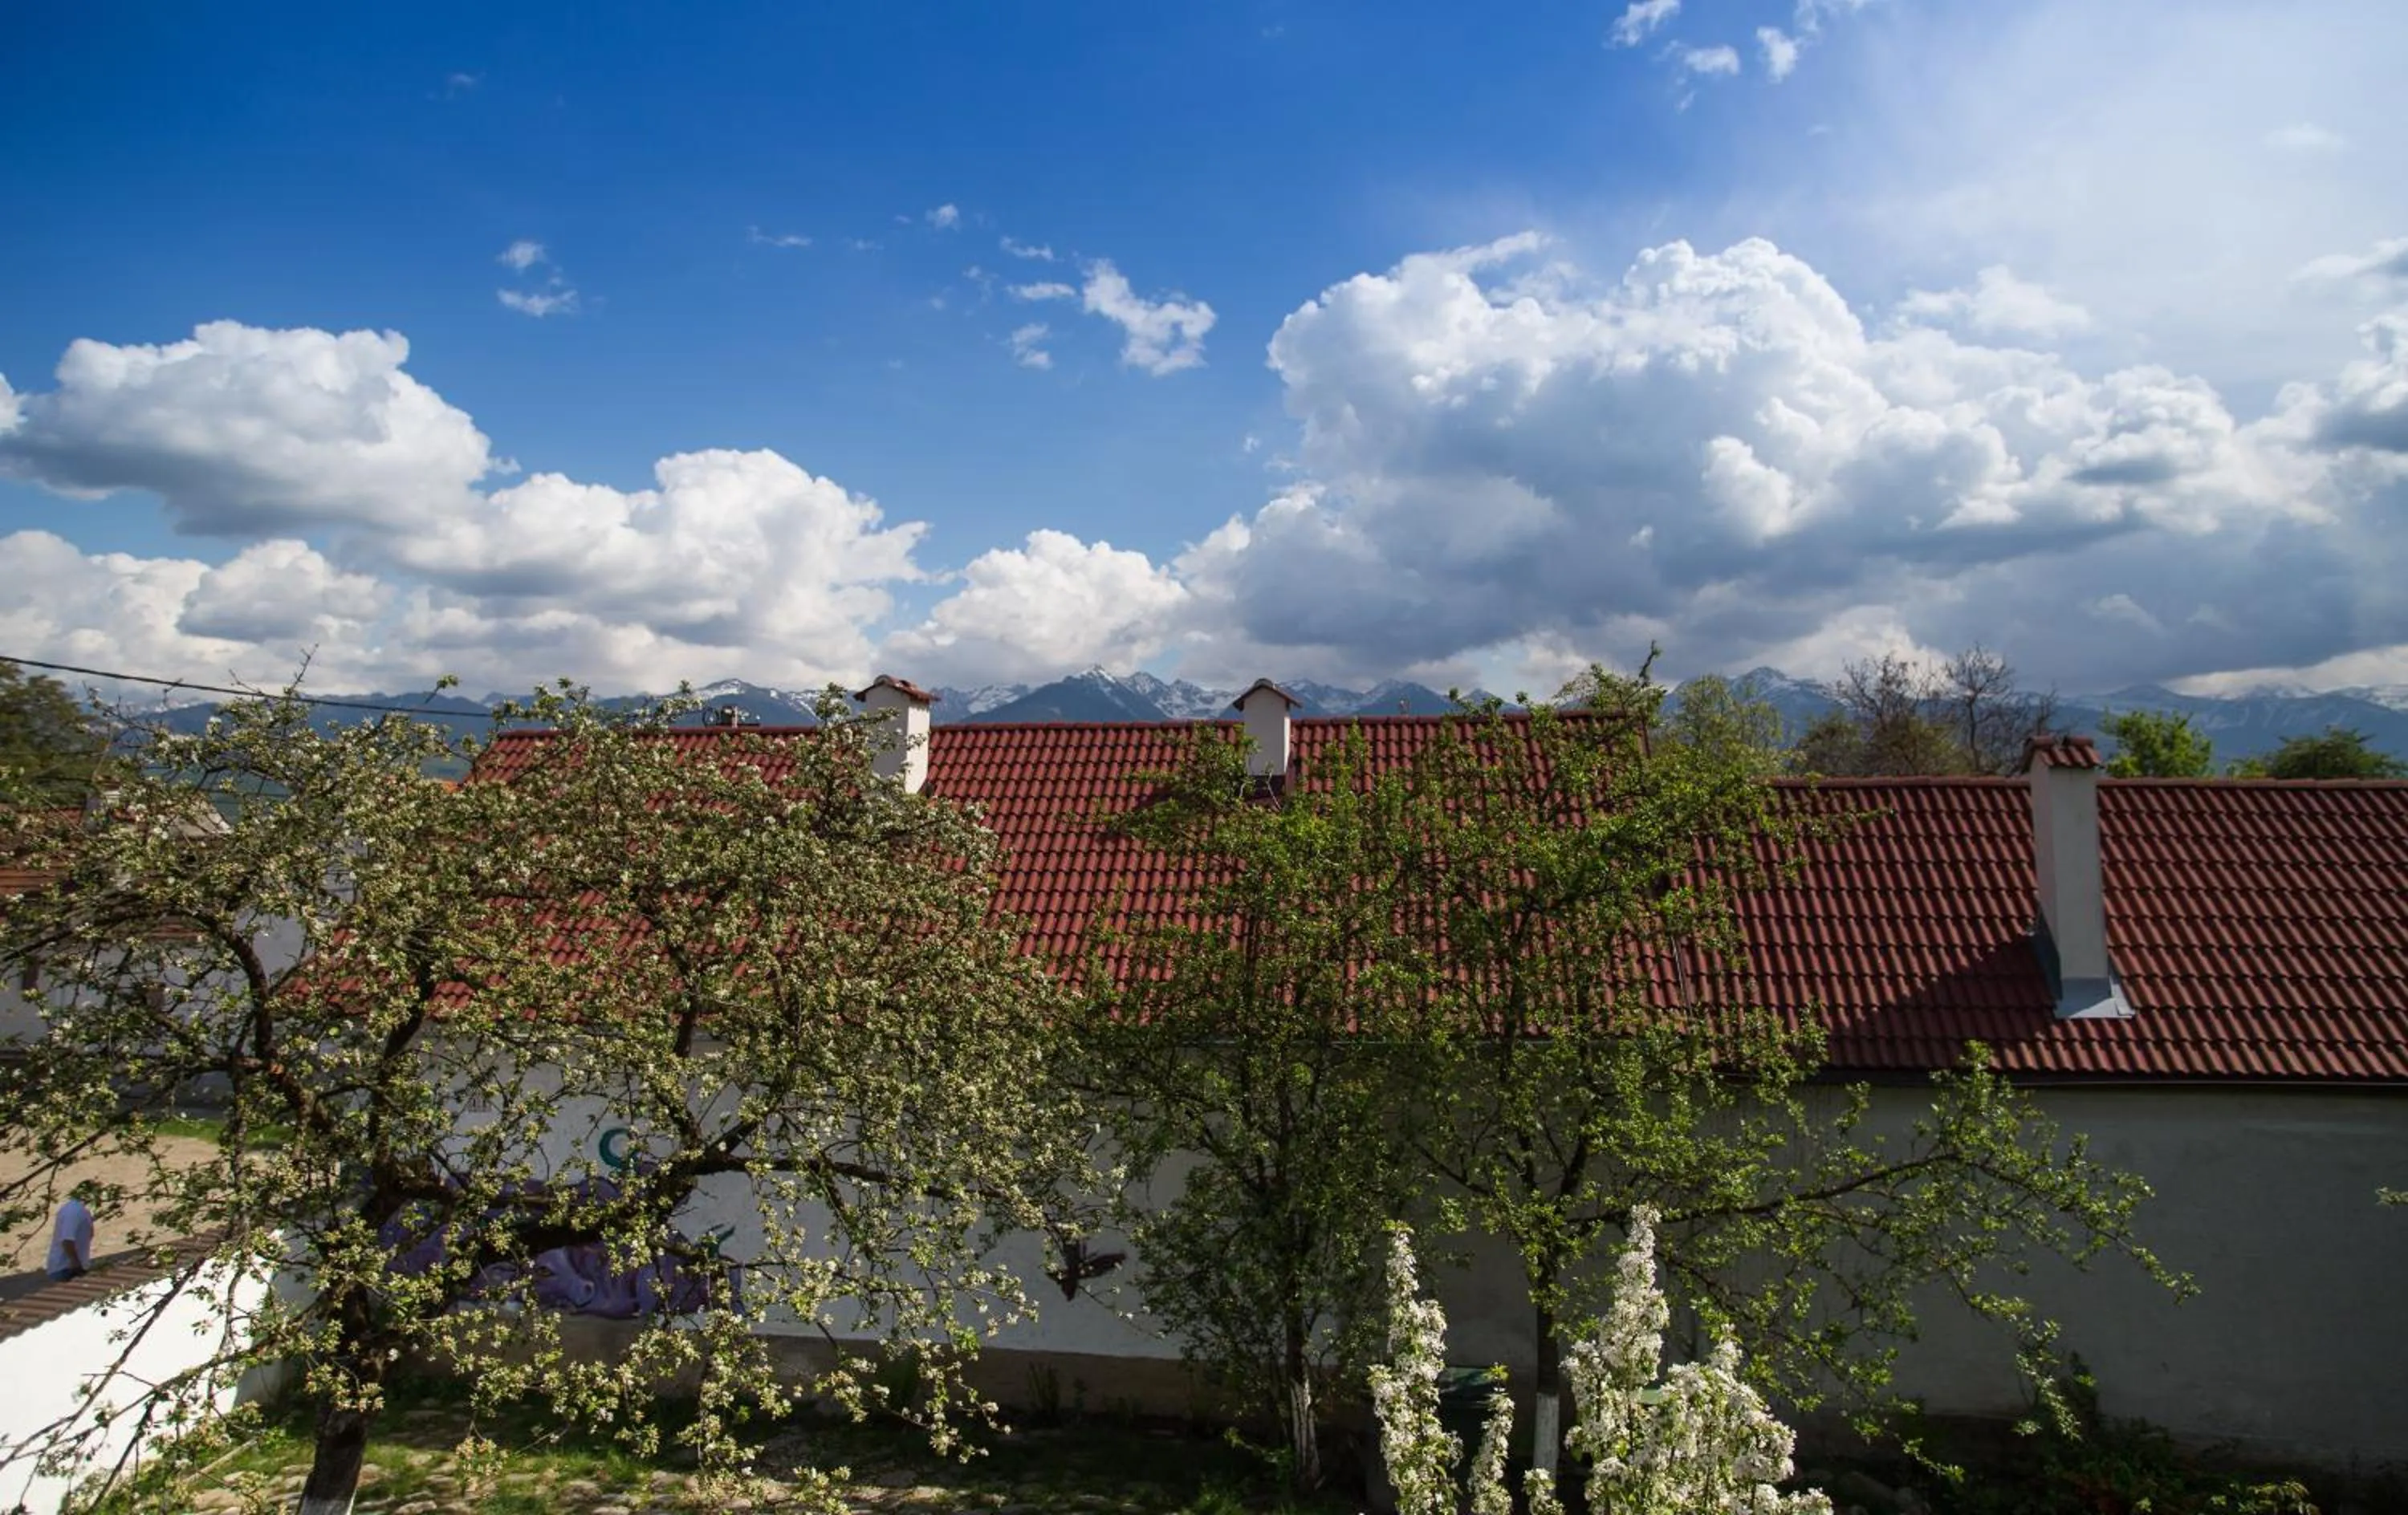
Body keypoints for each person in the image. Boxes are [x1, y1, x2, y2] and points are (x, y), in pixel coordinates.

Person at [47, 1185, 95, 1282]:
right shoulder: (74, 1211)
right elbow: (67, 1239)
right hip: (66, 1269)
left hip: (71, 1267)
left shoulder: (81, 1211)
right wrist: (75, 1261)